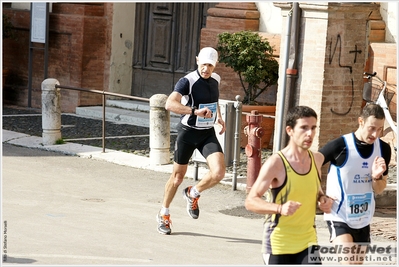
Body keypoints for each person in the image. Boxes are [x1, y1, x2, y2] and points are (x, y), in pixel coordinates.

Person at [245, 106, 333, 265]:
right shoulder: (276, 163)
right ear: (290, 130)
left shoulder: (317, 159)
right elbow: (250, 201)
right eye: (304, 128)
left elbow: (315, 188)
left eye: (313, 128)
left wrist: (323, 198)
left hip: (308, 240)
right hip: (279, 242)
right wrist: (279, 208)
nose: (310, 133)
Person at [156, 47, 226, 235]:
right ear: (197, 61)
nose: (206, 69)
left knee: (219, 172)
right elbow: (169, 104)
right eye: (203, 64)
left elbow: (214, 100)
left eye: (210, 65)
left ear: (215, 65)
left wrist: (218, 116)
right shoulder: (187, 81)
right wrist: (194, 111)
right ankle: (164, 213)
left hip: (207, 133)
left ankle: (193, 192)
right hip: (188, 133)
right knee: (178, 177)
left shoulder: (216, 79)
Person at [319, 103, 391, 264]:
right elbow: (311, 165)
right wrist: (320, 195)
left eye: (380, 129)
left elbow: (379, 189)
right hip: (338, 214)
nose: (375, 134)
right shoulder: (341, 145)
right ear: (361, 121)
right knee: (349, 261)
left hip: (363, 217)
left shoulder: (383, 149)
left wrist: (376, 177)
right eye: (372, 128)